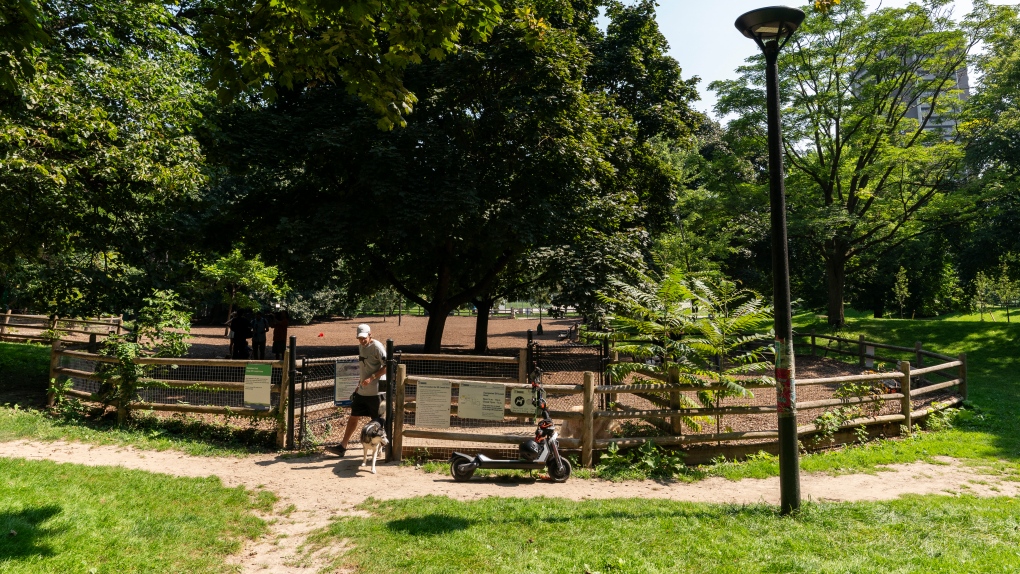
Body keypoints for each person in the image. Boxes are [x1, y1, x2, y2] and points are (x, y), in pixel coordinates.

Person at [328, 323, 386, 456]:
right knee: (353, 416)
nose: (362, 340)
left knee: (377, 420)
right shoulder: (361, 346)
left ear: (370, 335)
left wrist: (371, 378)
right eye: (359, 338)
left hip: (376, 390)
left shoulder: (377, 347)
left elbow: (387, 366)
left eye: (364, 338)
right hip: (362, 390)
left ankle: (381, 447)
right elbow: (365, 367)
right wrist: (359, 384)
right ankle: (342, 446)